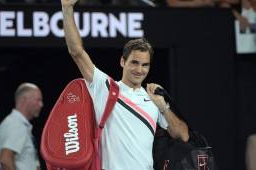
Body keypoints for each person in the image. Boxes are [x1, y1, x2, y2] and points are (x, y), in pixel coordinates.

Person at [61, 0, 189, 169]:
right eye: (134, 63)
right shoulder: (105, 87)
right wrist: (67, 8)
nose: (139, 70)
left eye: (145, 65)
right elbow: (76, 52)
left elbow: (183, 135)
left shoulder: (153, 98)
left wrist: (163, 106)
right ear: (123, 61)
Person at [0, 83, 43, 170]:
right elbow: (5, 159)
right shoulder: (16, 124)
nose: (41, 104)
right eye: (38, 100)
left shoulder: (17, 123)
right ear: (24, 100)